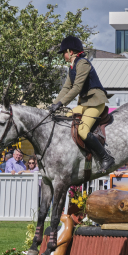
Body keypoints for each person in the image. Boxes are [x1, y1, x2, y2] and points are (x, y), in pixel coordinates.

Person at [48, 35, 114, 173]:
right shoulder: (72, 67)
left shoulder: (83, 63)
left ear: (70, 51)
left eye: (64, 53)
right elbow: (66, 88)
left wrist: (60, 103)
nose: (63, 56)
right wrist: (53, 105)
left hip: (96, 102)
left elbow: (76, 88)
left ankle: (106, 158)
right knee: (65, 117)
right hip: (85, 103)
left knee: (83, 131)